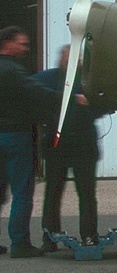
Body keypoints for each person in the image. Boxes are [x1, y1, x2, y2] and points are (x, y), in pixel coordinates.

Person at [0, 26, 82, 258]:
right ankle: (20, 243)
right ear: (8, 44)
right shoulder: (14, 71)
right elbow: (37, 93)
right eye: (21, 43)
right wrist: (70, 98)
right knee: (22, 191)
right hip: (15, 135)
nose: (25, 48)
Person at [33, 44, 107, 251]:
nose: (72, 60)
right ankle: (49, 236)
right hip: (57, 143)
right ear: (61, 58)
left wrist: (92, 103)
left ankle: (90, 235)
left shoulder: (89, 81)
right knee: (54, 191)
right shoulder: (46, 79)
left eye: (76, 57)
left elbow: (107, 105)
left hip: (84, 142)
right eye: (68, 56)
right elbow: (34, 97)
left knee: (86, 192)